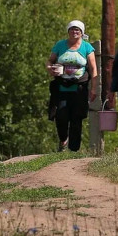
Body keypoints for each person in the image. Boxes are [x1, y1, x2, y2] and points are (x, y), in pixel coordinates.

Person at [47, 20, 98, 152]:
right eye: (72, 29)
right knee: (61, 115)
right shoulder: (60, 45)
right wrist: (50, 69)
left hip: (79, 87)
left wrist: (93, 88)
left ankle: (74, 149)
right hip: (62, 87)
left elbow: (93, 69)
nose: (74, 32)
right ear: (68, 31)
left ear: (82, 33)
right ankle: (63, 139)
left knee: (77, 117)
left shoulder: (87, 47)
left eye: (77, 30)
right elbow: (50, 60)